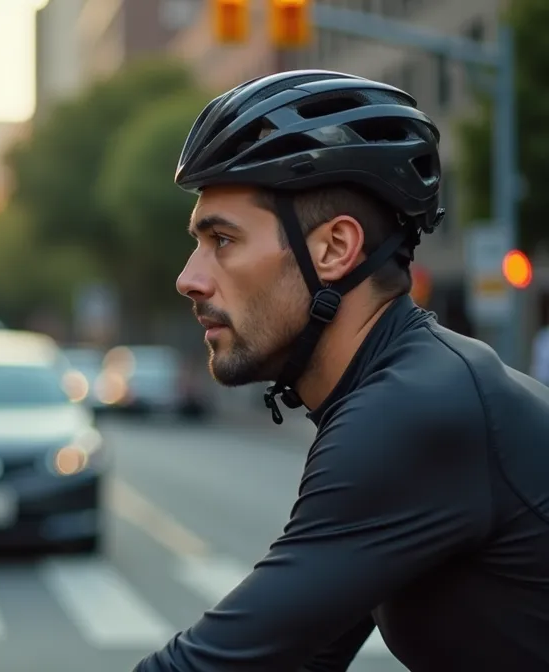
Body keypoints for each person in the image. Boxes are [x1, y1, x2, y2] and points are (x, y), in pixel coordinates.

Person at [135, 70, 549, 671]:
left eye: (222, 240)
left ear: (333, 249)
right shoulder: (395, 389)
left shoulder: (412, 412)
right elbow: (303, 653)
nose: (188, 279)